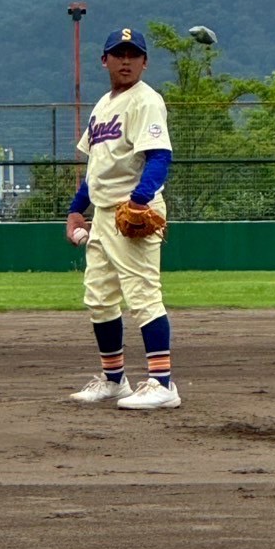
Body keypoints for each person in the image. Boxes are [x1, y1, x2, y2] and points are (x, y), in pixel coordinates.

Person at [66, 27, 180, 410]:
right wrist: (75, 210)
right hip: (102, 215)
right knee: (99, 298)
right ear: (105, 61)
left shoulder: (147, 101)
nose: (126, 61)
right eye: (119, 54)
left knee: (143, 295)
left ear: (145, 62)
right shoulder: (103, 105)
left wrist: (139, 200)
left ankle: (162, 384)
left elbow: (159, 156)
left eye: (134, 55)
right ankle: (115, 380)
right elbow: (96, 168)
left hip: (132, 210)